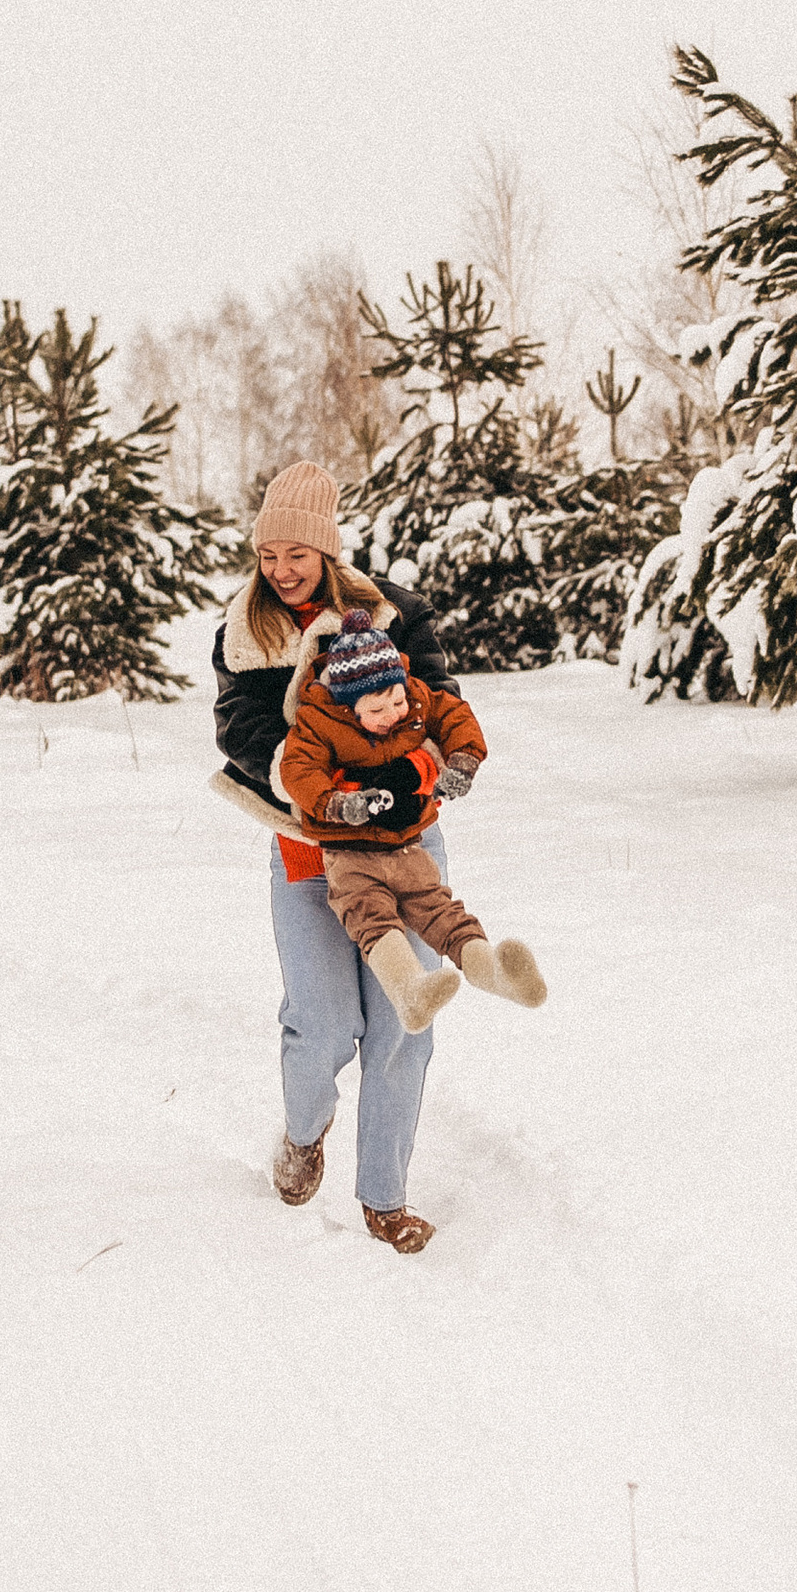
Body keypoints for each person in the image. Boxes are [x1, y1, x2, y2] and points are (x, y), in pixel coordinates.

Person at [211, 463, 471, 1255]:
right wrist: (324, 786)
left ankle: (385, 1199)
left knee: (401, 1018)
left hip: (401, 843)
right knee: (324, 1025)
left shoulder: (389, 612)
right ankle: (302, 1131)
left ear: (327, 551)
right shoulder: (247, 631)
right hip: (309, 849)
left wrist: (430, 764)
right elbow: (240, 731)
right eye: (269, 557)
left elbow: (437, 698)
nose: (283, 572)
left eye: (298, 554)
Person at [277, 611, 548, 1033]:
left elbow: (455, 716)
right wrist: (334, 802)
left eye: (398, 701)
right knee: (372, 919)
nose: (393, 714)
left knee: (443, 914)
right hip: (351, 856)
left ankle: (494, 971)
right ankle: (410, 991)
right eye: (377, 709)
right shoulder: (320, 720)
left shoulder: (415, 695)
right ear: (348, 706)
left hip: (407, 846)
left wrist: (463, 759)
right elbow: (298, 770)